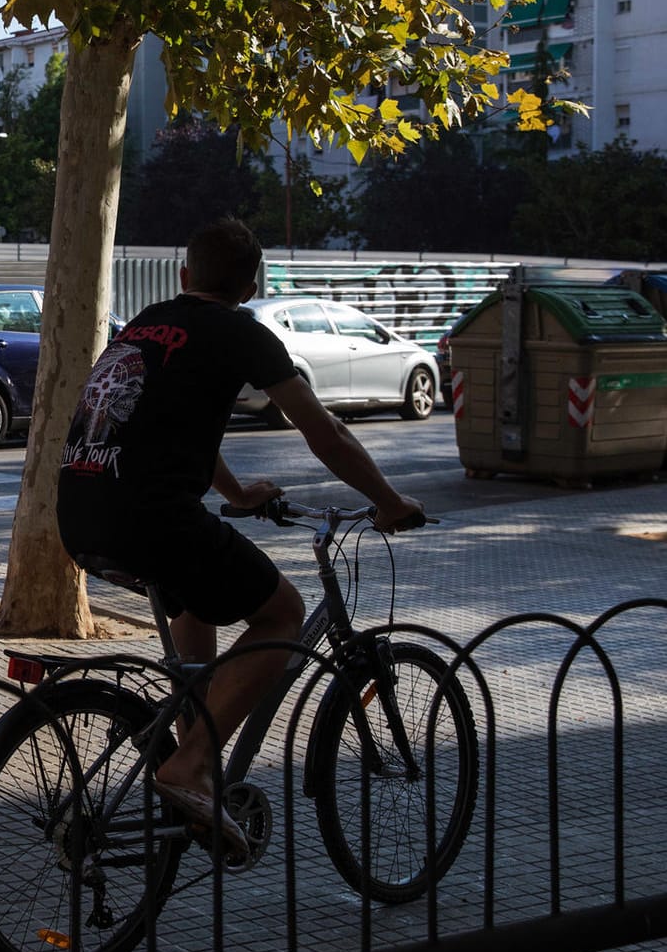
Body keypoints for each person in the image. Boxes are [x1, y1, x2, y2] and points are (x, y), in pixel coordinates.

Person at [55, 217, 424, 855]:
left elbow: (162, 424)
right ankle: (190, 764)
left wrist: (234, 494)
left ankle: (197, 750)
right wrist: (388, 502)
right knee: (283, 610)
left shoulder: (146, 322)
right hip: (151, 517)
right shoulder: (242, 333)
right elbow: (323, 431)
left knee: (200, 596)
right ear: (251, 286)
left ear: (185, 275)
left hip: (79, 510)